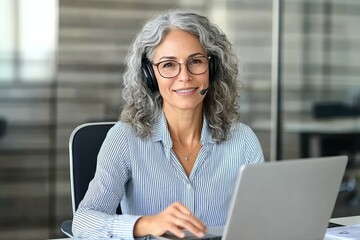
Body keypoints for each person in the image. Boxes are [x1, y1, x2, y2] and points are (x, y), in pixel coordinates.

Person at [72, 9, 264, 239]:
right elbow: (83, 221)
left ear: (212, 69)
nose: (184, 76)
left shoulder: (242, 140)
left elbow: (267, 217)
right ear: (149, 75)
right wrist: (146, 224)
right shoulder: (124, 139)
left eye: (195, 61)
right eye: (168, 65)